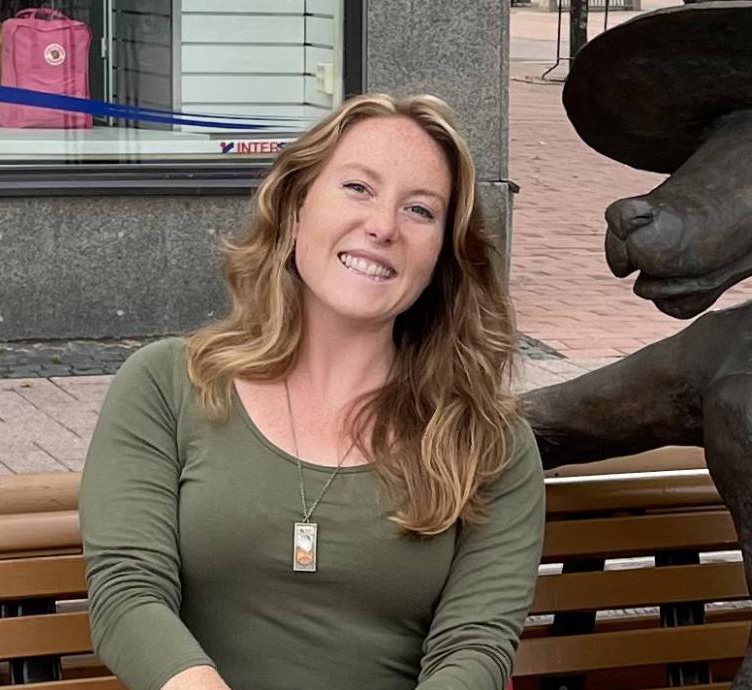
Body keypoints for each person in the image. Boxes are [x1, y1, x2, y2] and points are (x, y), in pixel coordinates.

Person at [78, 93, 545, 690]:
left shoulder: (488, 441)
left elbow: (474, 647)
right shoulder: (166, 386)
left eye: (420, 211)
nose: (382, 226)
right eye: (357, 187)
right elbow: (128, 592)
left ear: (443, 257)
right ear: (297, 208)